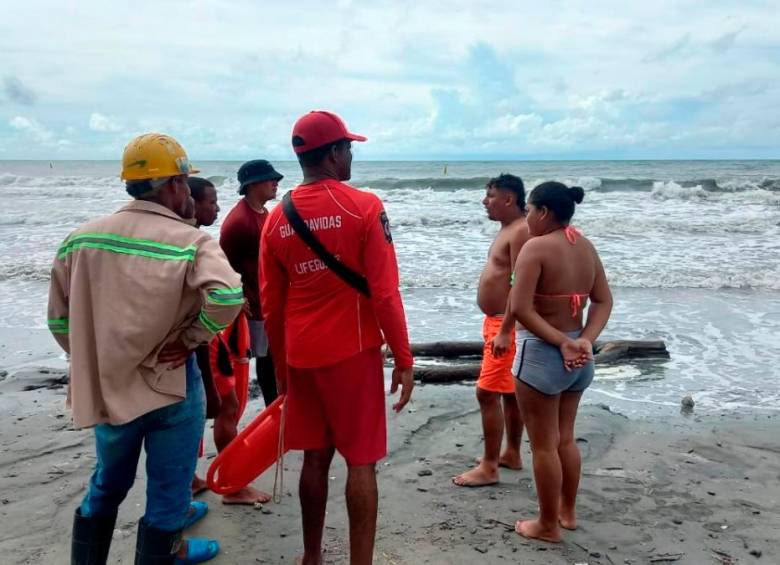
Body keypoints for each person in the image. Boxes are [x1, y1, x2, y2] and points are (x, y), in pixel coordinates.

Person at [48, 134, 243, 564]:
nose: (190, 195)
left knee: (107, 483)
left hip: (110, 384)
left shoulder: (81, 238)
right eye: (185, 183)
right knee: (169, 493)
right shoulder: (190, 240)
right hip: (171, 383)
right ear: (173, 185)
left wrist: (93, 356)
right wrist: (191, 338)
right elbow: (229, 297)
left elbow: (58, 320)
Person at [261, 110, 415, 565]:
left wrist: (282, 371)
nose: (351, 155)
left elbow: (272, 305)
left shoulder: (276, 218)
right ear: (332, 153)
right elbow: (386, 293)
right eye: (348, 147)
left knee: (314, 457)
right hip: (353, 352)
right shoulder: (365, 207)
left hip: (303, 354)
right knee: (360, 462)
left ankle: (311, 557)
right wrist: (404, 358)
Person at [509, 181, 613, 542]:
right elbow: (603, 301)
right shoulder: (585, 245)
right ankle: (567, 512)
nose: (526, 219)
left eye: (529, 211)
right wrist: (584, 339)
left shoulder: (535, 248)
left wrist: (559, 343)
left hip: (541, 354)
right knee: (565, 439)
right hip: (579, 357)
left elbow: (520, 307)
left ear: (544, 212)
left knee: (542, 445)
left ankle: (547, 524)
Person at [453, 174, 529, 487]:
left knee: (487, 392)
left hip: (506, 324)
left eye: (491, 196)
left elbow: (521, 285)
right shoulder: (508, 229)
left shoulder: (521, 231)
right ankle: (511, 453)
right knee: (509, 392)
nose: (485, 201)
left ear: (509, 199)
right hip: (498, 321)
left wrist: (506, 328)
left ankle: (489, 467)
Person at [220, 160, 283, 407]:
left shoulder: (262, 212)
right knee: (264, 359)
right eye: (270, 179)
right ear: (253, 184)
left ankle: (276, 406)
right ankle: (271, 408)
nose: (276, 183)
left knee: (272, 356)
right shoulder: (239, 221)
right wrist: (236, 297)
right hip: (252, 304)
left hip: (265, 298)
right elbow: (222, 264)